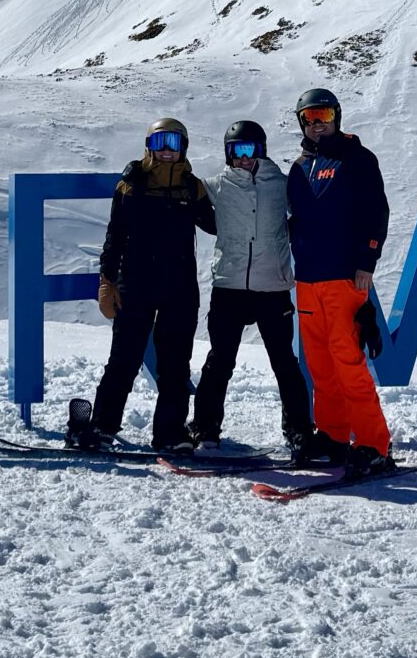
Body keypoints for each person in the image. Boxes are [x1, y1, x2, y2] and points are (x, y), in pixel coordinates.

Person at [68, 118, 214, 453]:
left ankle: (170, 433)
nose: (167, 150)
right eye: (160, 142)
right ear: (149, 146)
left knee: (175, 363)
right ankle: (102, 427)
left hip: (179, 286)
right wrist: (107, 280)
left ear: (184, 148)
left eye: (174, 143)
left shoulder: (192, 187)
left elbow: (218, 224)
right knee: (124, 358)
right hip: (136, 282)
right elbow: (115, 235)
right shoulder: (132, 184)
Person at [285, 86, 396, 478]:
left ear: (337, 117)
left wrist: (367, 259)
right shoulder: (299, 168)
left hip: (344, 277)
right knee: (320, 363)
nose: (317, 124)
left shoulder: (357, 158)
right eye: (310, 118)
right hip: (308, 279)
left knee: (348, 362)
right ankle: (333, 435)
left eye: (324, 116)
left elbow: (377, 212)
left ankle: (374, 444)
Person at [190, 120, 312, 452]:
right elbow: (183, 193)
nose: (243, 158)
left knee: (284, 362)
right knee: (219, 360)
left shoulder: (282, 185)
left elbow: (308, 214)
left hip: (272, 288)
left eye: (250, 150)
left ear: (262, 150)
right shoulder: (217, 185)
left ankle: (299, 430)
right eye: (236, 151)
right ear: (227, 154)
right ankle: (205, 428)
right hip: (229, 286)